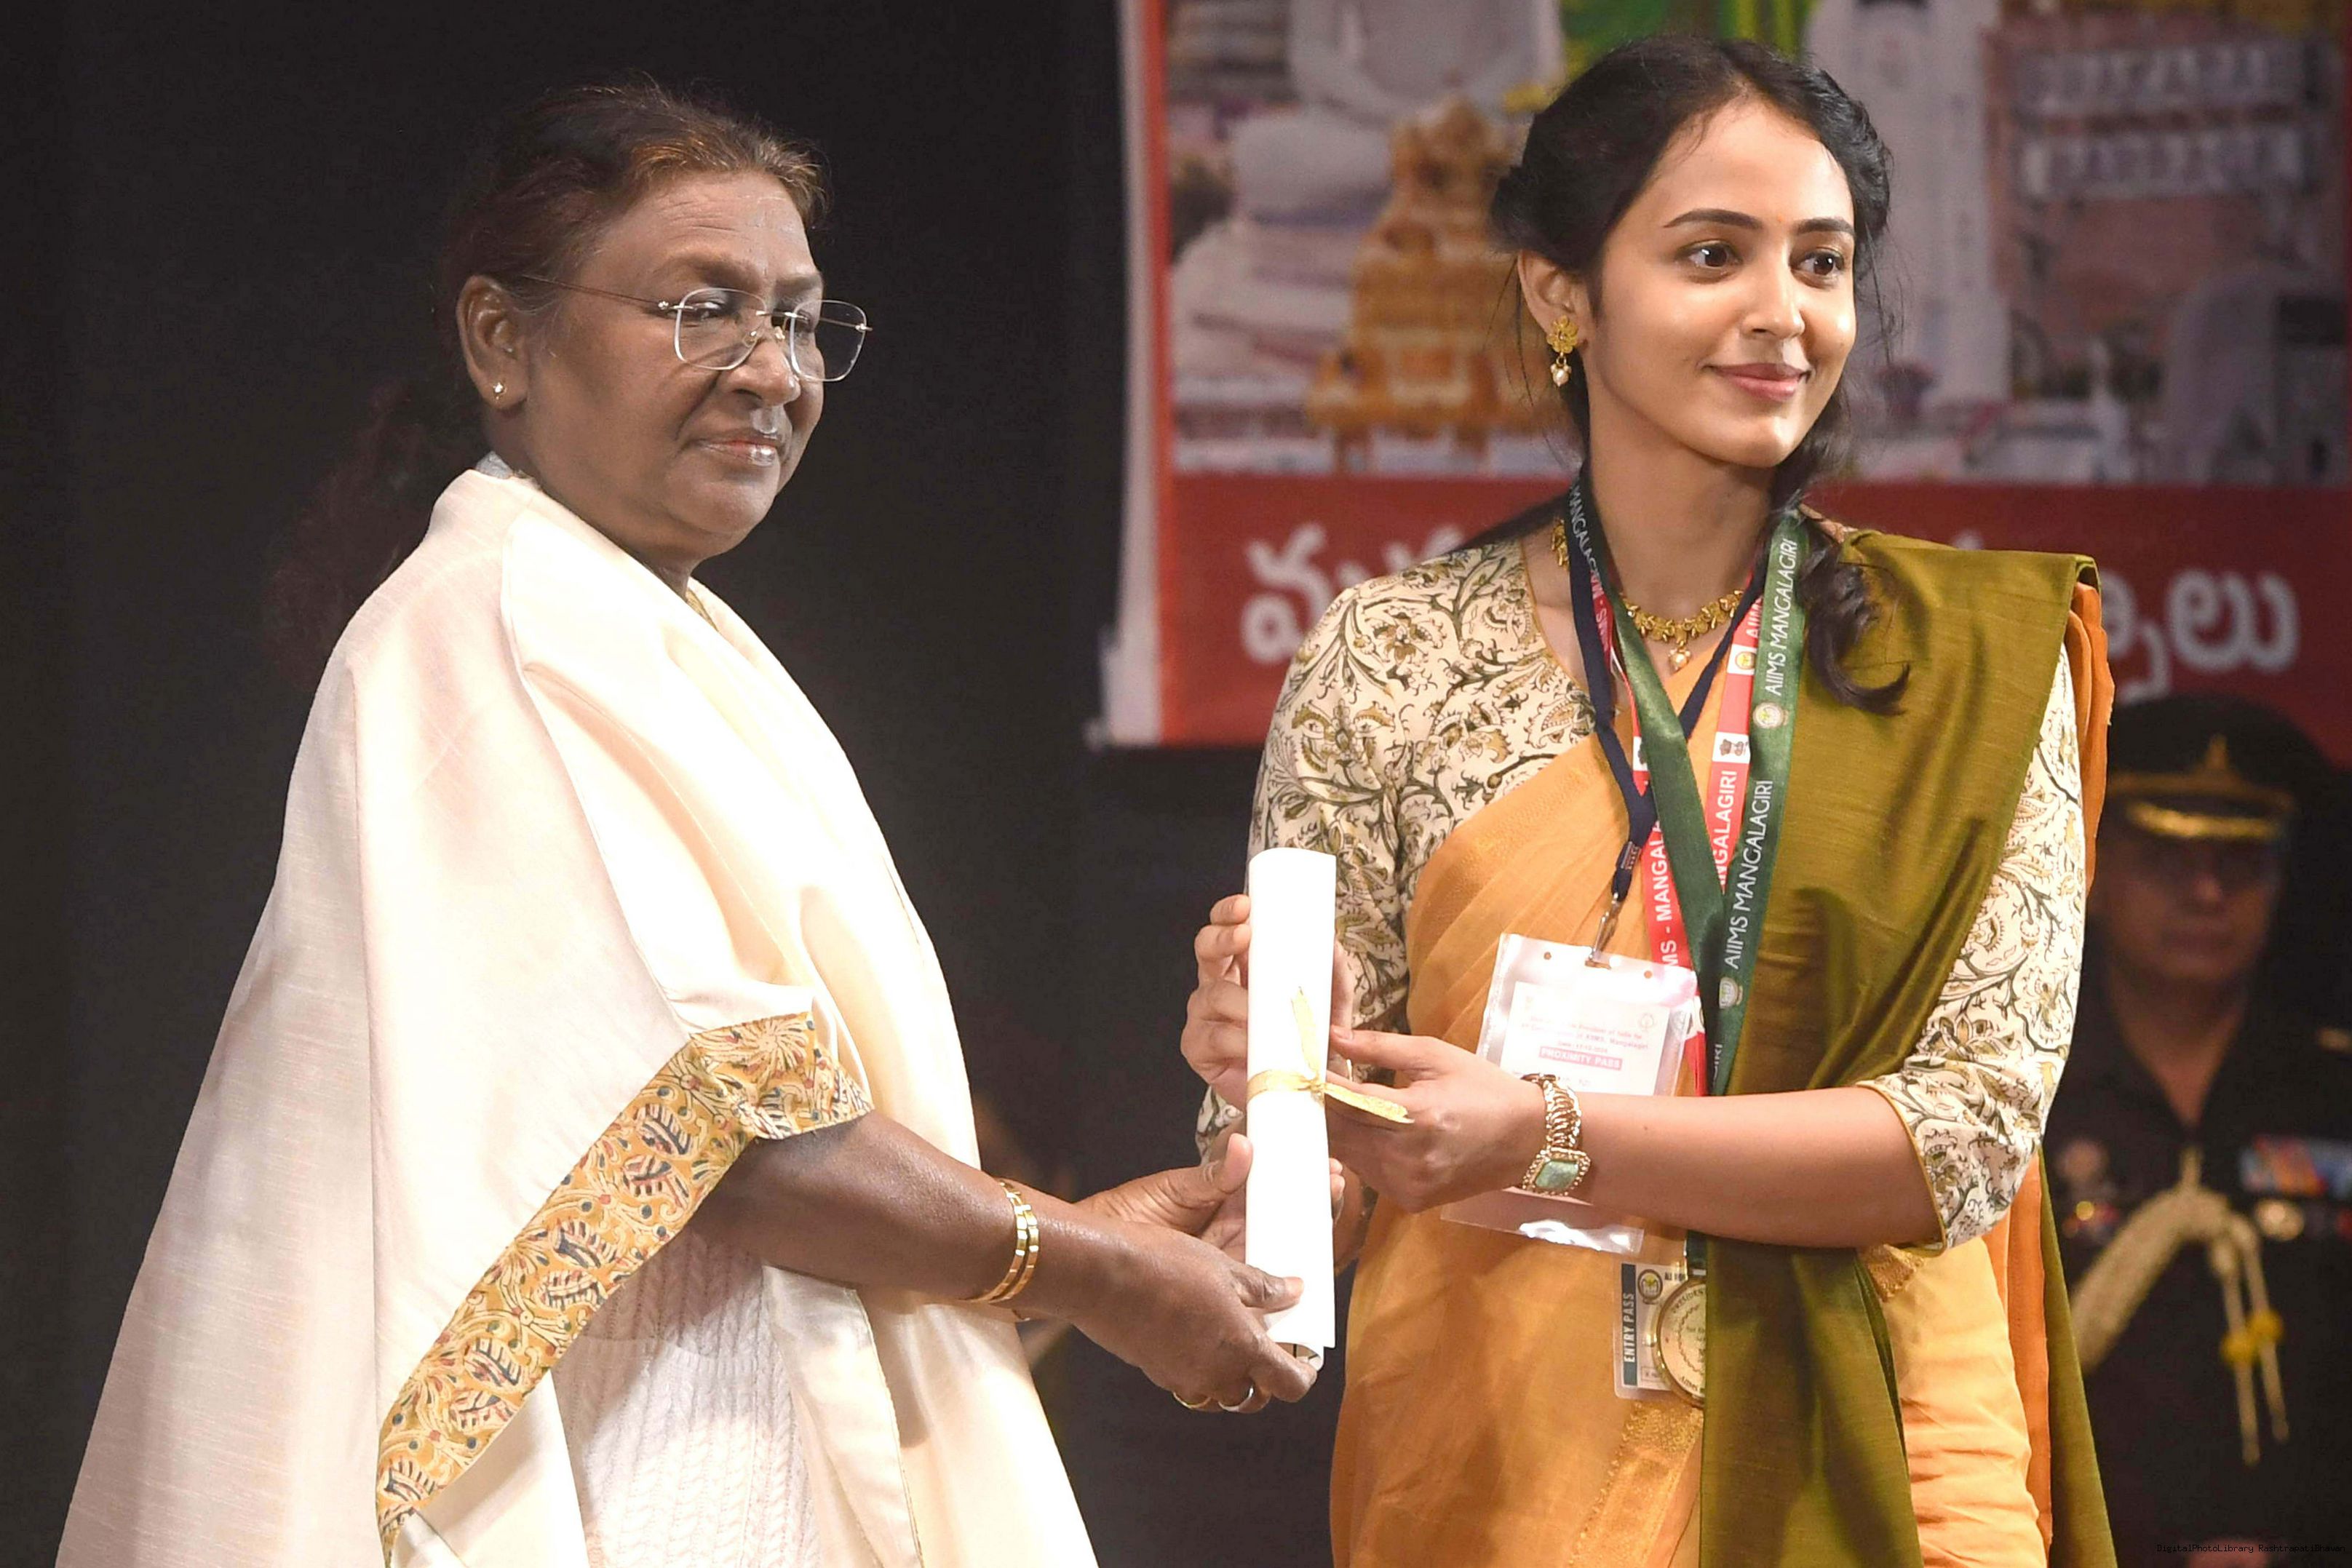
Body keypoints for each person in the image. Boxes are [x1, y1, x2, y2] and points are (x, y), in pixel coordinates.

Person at [59, 82, 1314, 1568]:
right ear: (500, 339)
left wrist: (1078, 1239)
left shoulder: (642, 622)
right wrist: (1086, 1263)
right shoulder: (498, 618)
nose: (771, 371)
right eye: (701, 309)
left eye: (801, 321)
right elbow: (712, 1125)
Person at [1180, 36, 2117, 1567]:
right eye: (1709, 254)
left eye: (1820, 262)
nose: (1781, 311)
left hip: (1887, 1469)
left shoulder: (1963, 663)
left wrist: (1544, 1132)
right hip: (1501, 1469)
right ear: (1563, 294)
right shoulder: (1391, 658)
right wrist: (1279, 1091)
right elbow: (1300, 1222)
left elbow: (1963, 1136)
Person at [2045, 696, 2352, 1567]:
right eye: (2165, 859)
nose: (2207, 893)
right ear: (2096, 869)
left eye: (2239, 863)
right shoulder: (2027, 1095)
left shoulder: (2332, 1095)